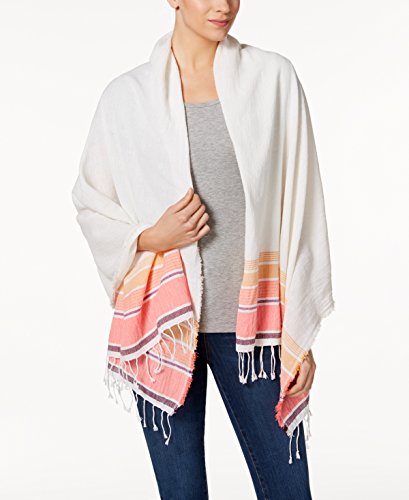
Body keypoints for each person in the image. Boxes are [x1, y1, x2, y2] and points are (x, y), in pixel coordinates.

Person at [72, 1, 335, 498]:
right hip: (164, 326)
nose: (224, 5)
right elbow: (90, 200)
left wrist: (300, 335)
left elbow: (302, 205)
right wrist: (150, 237)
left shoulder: (272, 81)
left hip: (255, 331)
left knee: (289, 490)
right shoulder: (127, 99)